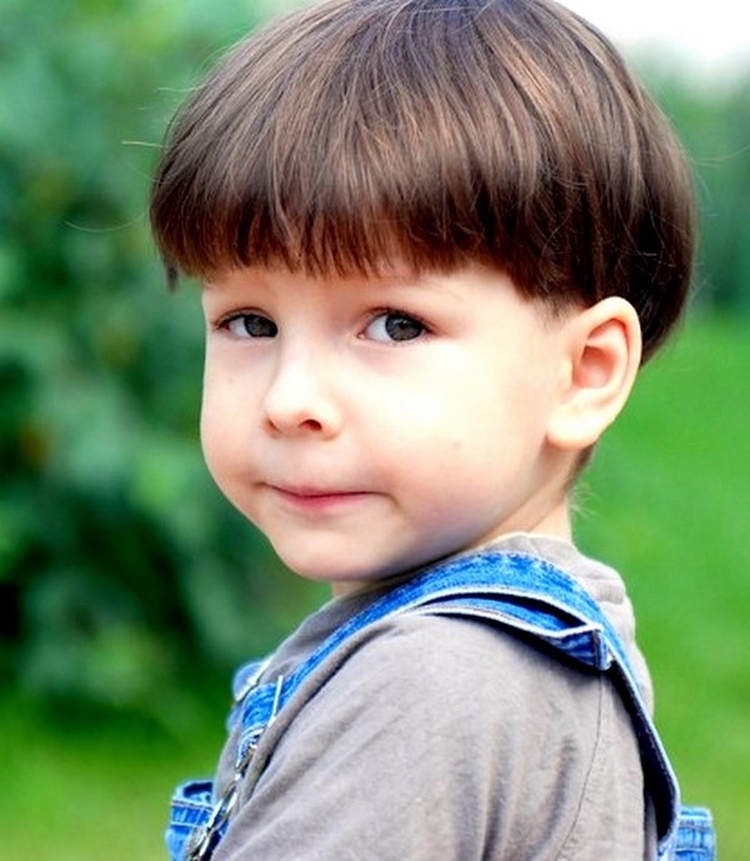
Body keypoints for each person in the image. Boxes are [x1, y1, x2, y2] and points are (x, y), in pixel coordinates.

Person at [149, 1, 715, 859]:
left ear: (585, 372)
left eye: (395, 324)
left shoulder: (435, 686)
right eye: (251, 323)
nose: (289, 399)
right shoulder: (528, 654)